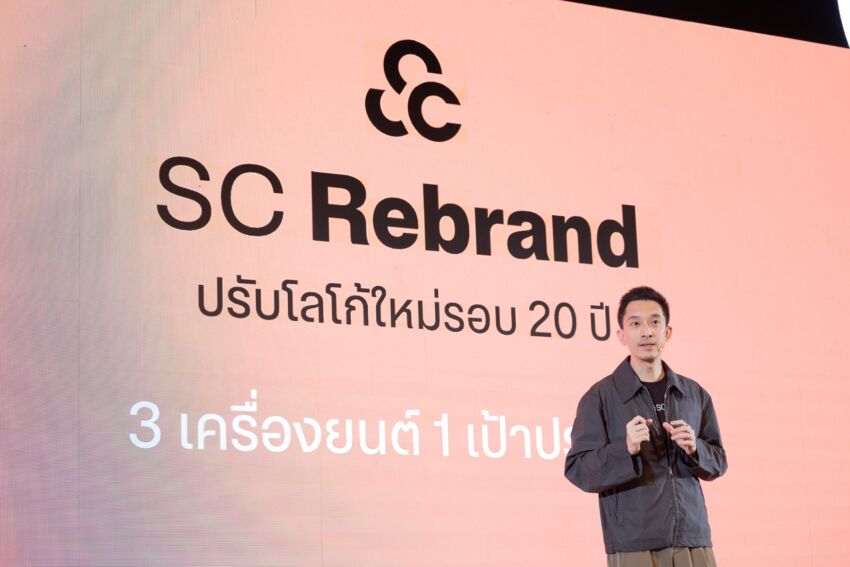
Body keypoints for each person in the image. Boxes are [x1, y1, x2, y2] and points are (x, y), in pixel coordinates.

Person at [564, 286, 727, 567]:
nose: (647, 332)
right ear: (621, 335)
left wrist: (695, 448)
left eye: (654, 322)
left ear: (668, 332)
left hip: (693, 539)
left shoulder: (693, 394)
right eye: (636, 324)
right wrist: (625, 449)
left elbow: (719, 461)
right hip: (634, 544)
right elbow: (578, 468)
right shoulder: (600, 396)